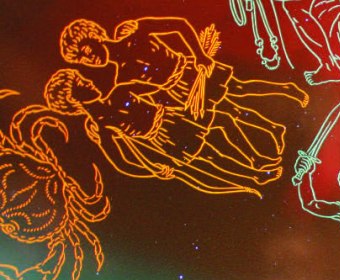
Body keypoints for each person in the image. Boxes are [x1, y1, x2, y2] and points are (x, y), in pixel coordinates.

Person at [45, 68, 278, 196]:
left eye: (82, 79)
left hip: (173, 115)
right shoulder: (101, 122)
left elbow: (159, 86)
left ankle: (256, 161)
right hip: (163, 135)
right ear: (74, 101)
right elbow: (121, 160)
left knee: (222, 121)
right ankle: (252, 176)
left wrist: (194, 83)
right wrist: (152, 169)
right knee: (209, 156)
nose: (87, 82)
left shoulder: (117, 90)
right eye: (80, 85)